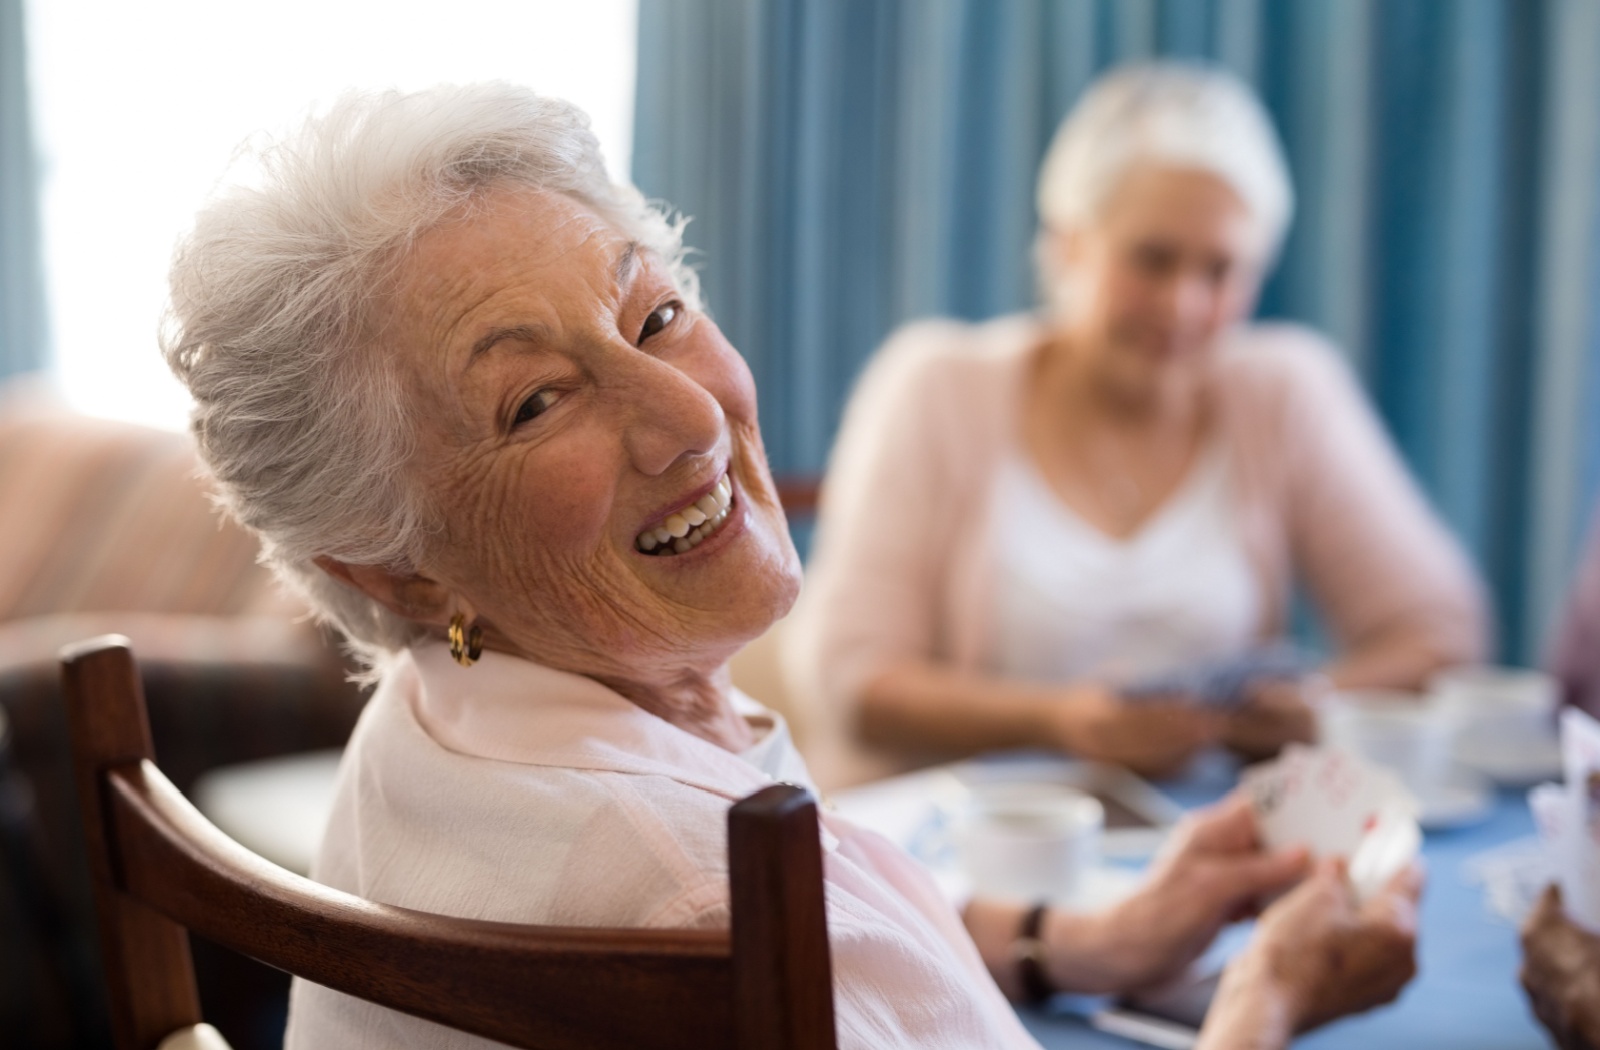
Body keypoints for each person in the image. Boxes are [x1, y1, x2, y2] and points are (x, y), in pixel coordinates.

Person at [162, 83, 1419, 1049]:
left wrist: (1081, 939)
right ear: (398, 572)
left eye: (655, 315)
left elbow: (831, 928)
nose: (692, 417)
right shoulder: (691, 899)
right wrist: (1264, 995)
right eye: (537, 403)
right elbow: (758, 923)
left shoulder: (449, 711)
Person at [785, 62, 1486, 788]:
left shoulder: (1286, 390)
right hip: (965, 854)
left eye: (1219, 272)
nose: (1182, 305)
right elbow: (849, 680)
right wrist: (1057, 720)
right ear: (1068, 246)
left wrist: (1320, 705)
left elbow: (1439, 632)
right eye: (1152, 260)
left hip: (1208, 845)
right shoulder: (934, 385)